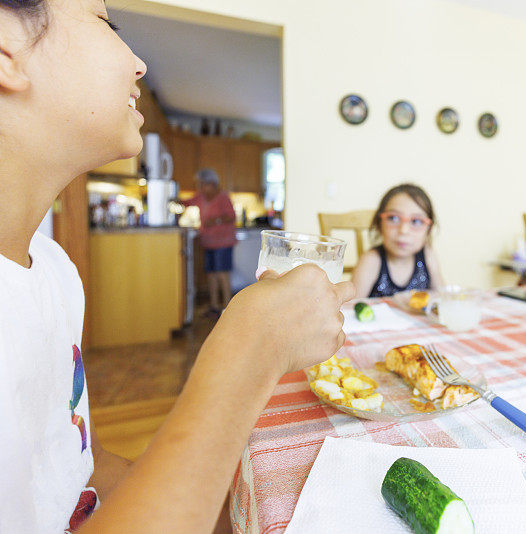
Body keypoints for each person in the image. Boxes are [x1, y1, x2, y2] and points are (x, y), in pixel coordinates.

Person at [0, 1, 353, 532]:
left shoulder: (52, 269)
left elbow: (70, 474)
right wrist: (251, 346)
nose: (138, 63)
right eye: (104, 21)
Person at [351, 183, 445, 298]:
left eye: (416, 221)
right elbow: (350, 308)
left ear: (428, 230)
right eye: (393, 218)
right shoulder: (371, 260)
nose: (404, 230)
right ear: (380, 224)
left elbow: (443, 299)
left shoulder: (428, 255)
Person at [184, 168, 236, 317]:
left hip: (223, 243)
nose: (200, 188)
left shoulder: (223, 197)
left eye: (202, 184)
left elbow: (231, 216)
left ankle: (227, 308)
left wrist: (215, 220)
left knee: (222, 274)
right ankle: (214, 306)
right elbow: (187, 202)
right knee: (211, 274)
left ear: (212, 184)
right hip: (208, 242)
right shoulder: (201, 196)